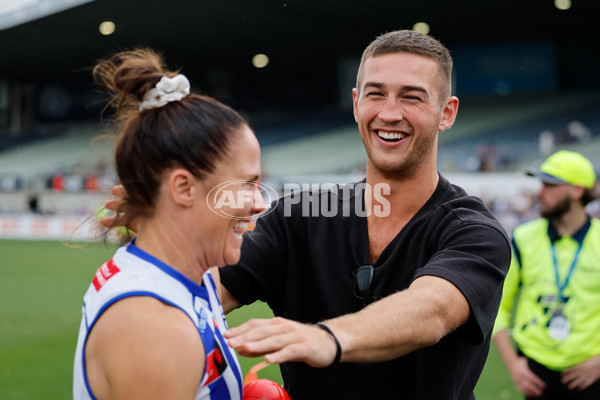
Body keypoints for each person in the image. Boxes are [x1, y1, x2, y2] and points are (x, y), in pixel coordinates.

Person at [104, 30, 511, 399]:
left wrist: (327, 339)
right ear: (355, 104)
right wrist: (161, 226)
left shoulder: (474, 232)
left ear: (447, 113)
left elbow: (433, 310)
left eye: (411, 96)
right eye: (375, 93)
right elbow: (202, 289)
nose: (389, 112)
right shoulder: (301, 214)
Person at [73, 48, 265, 400]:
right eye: (246, 184)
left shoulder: (197, 271)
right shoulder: (155, 329)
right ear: (183, 187)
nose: (260, 202)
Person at [493, 150, 600, 399]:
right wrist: (513, 364)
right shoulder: (523, 238)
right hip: (535, 374)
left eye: (550, 185)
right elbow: (496, 306)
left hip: (592, 374)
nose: (540, 193)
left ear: (576, 191)